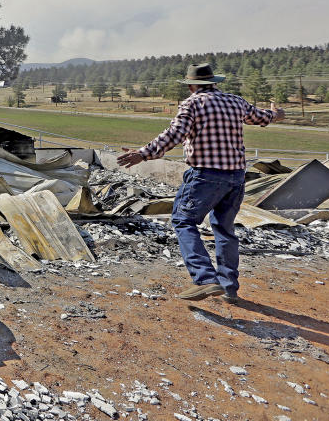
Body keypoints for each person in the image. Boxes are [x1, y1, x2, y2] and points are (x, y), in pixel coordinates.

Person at [117, 63, 285, 302]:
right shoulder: (235, 101)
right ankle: (229, 286)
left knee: (183, 221)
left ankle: (205, 279)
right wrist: (276, 114)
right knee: (224, 229)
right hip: (236, 177)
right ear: (214, 81)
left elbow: (174, 134)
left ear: (191, 85)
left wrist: (143, 154)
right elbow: (262, 117)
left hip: (205, 175)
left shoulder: (193, 103)